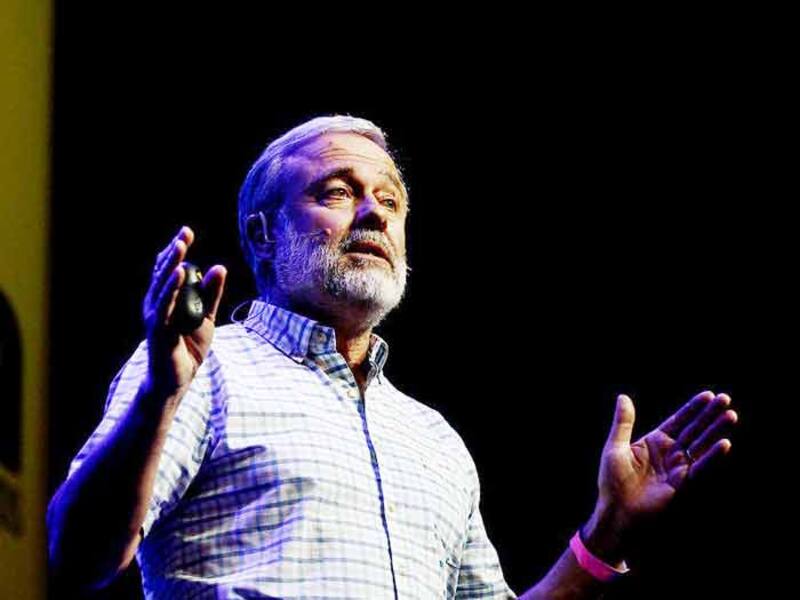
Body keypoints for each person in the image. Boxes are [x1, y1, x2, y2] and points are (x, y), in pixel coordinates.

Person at [47, 116, 738, 599]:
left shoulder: (433, 438)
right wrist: (159, 395)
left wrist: (606, 533)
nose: (374, 214)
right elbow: (78, 557)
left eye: (390, 201)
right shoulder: (202, 371)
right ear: (262, 236)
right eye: (337, 192)